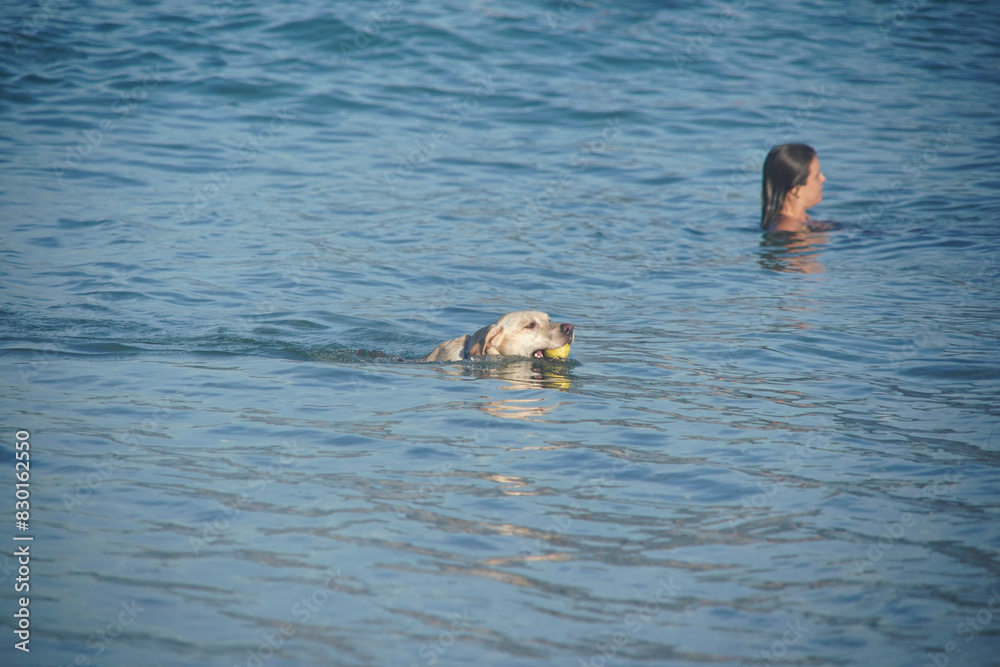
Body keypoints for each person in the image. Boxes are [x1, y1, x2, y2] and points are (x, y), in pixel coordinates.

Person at [760, 143, 832, 233]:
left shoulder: (804, 222)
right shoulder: (789, 228)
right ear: (796, 190)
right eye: (816, 176)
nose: (823, 179)